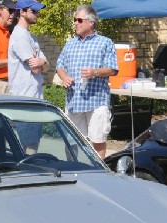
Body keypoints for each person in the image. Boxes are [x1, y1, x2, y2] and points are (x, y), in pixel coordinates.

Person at [55, 4, 117, 158]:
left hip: (96, 101)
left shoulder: (105, 42)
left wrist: (95, 72)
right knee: (71, 142)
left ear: (91, 22)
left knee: (98, 141)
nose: (75, 23)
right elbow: (59, 65)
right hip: (74, 101)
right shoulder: (70, 43)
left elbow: (113, 69)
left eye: (79, 20)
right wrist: (64, 77)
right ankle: (74, 171)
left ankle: (99, 177)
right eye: (75, 20)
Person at [8, 0, 49, 154]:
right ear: (22, 12)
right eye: (34, 11)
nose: (37, 14)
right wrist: (41, 63)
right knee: (29, 146)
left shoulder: (31, 37)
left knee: (32, 142)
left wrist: (42, 62)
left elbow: (46, 65)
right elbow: (36, 67)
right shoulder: (19, 36)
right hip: (25, 98)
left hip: (34, 96)